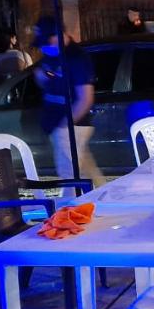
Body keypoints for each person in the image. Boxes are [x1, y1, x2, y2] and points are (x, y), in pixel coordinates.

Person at [33, 16, 104, 196]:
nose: (42, 48)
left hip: (71, 126)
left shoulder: (76, 58)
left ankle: (72, 209)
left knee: (71, 177)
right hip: (61, 124)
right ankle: (103, 200)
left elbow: (85, 98)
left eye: (45, 43)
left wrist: (65, 125)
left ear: (56, 36)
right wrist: (41, 78)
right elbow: (48, 83)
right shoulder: (53, 55)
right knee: (86, 172)